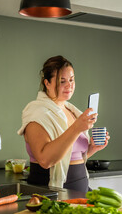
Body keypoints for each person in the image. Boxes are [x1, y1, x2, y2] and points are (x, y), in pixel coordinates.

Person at [17, 55, 110, 193]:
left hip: (80, 190)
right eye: (62, 81)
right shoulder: (36, 113)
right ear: (47, 83)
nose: (69, 85)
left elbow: (69, 157)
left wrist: (92, 149)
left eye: (72, 80)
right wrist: (77, 128)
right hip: (51, 193)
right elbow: (45, 160)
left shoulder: (70, 110)